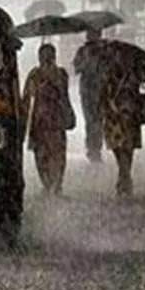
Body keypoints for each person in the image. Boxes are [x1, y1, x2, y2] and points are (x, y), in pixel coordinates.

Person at [21, 43, 76, 197]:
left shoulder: (56, 74)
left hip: (50, 120)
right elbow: (27, 98)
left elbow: (63, 95)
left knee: (53, 153)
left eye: (48, 55)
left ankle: (54, 184)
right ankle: (50, 184)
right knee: (45, 154)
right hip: (45, 120)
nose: (46, 58)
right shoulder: (37, 74)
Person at [99, 59, 145, 196]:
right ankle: (125, 178)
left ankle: (124, 179)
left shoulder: (110, 76)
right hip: (124, 119)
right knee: (124, 150)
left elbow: (101, 98)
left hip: (120, 119)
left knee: (124, 150)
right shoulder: (130, 76)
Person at [73, 29, 105, 162]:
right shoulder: (82, 51)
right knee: (91, 120)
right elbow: (76, 69)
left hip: (100, 90)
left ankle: (96, 147)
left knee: (98, 120)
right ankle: (92, 148)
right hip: (87, 90)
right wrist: (85, 62)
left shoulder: (104, 51)